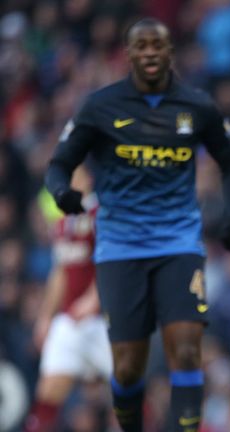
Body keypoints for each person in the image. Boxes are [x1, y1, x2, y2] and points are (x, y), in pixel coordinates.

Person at [44, 18, 230, 432]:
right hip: (120, 248)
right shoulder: (100, 106)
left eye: (159, 45)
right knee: (128, 366)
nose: (151, 53)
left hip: (179, 244)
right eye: (142, 46)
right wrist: (63, 192)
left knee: (187, 347)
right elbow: (59, 163)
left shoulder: (197, 106)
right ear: (130, 53)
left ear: (170, 52)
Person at [25, 167, 112, 432]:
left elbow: (114, 263)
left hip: (104, 320)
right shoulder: (62, 222)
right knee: (49, 389)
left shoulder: (102, 214)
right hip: (70, 319)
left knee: (129, 388)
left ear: (87, 178)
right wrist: (45, 318)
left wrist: (94, 299)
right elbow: (60, 273)